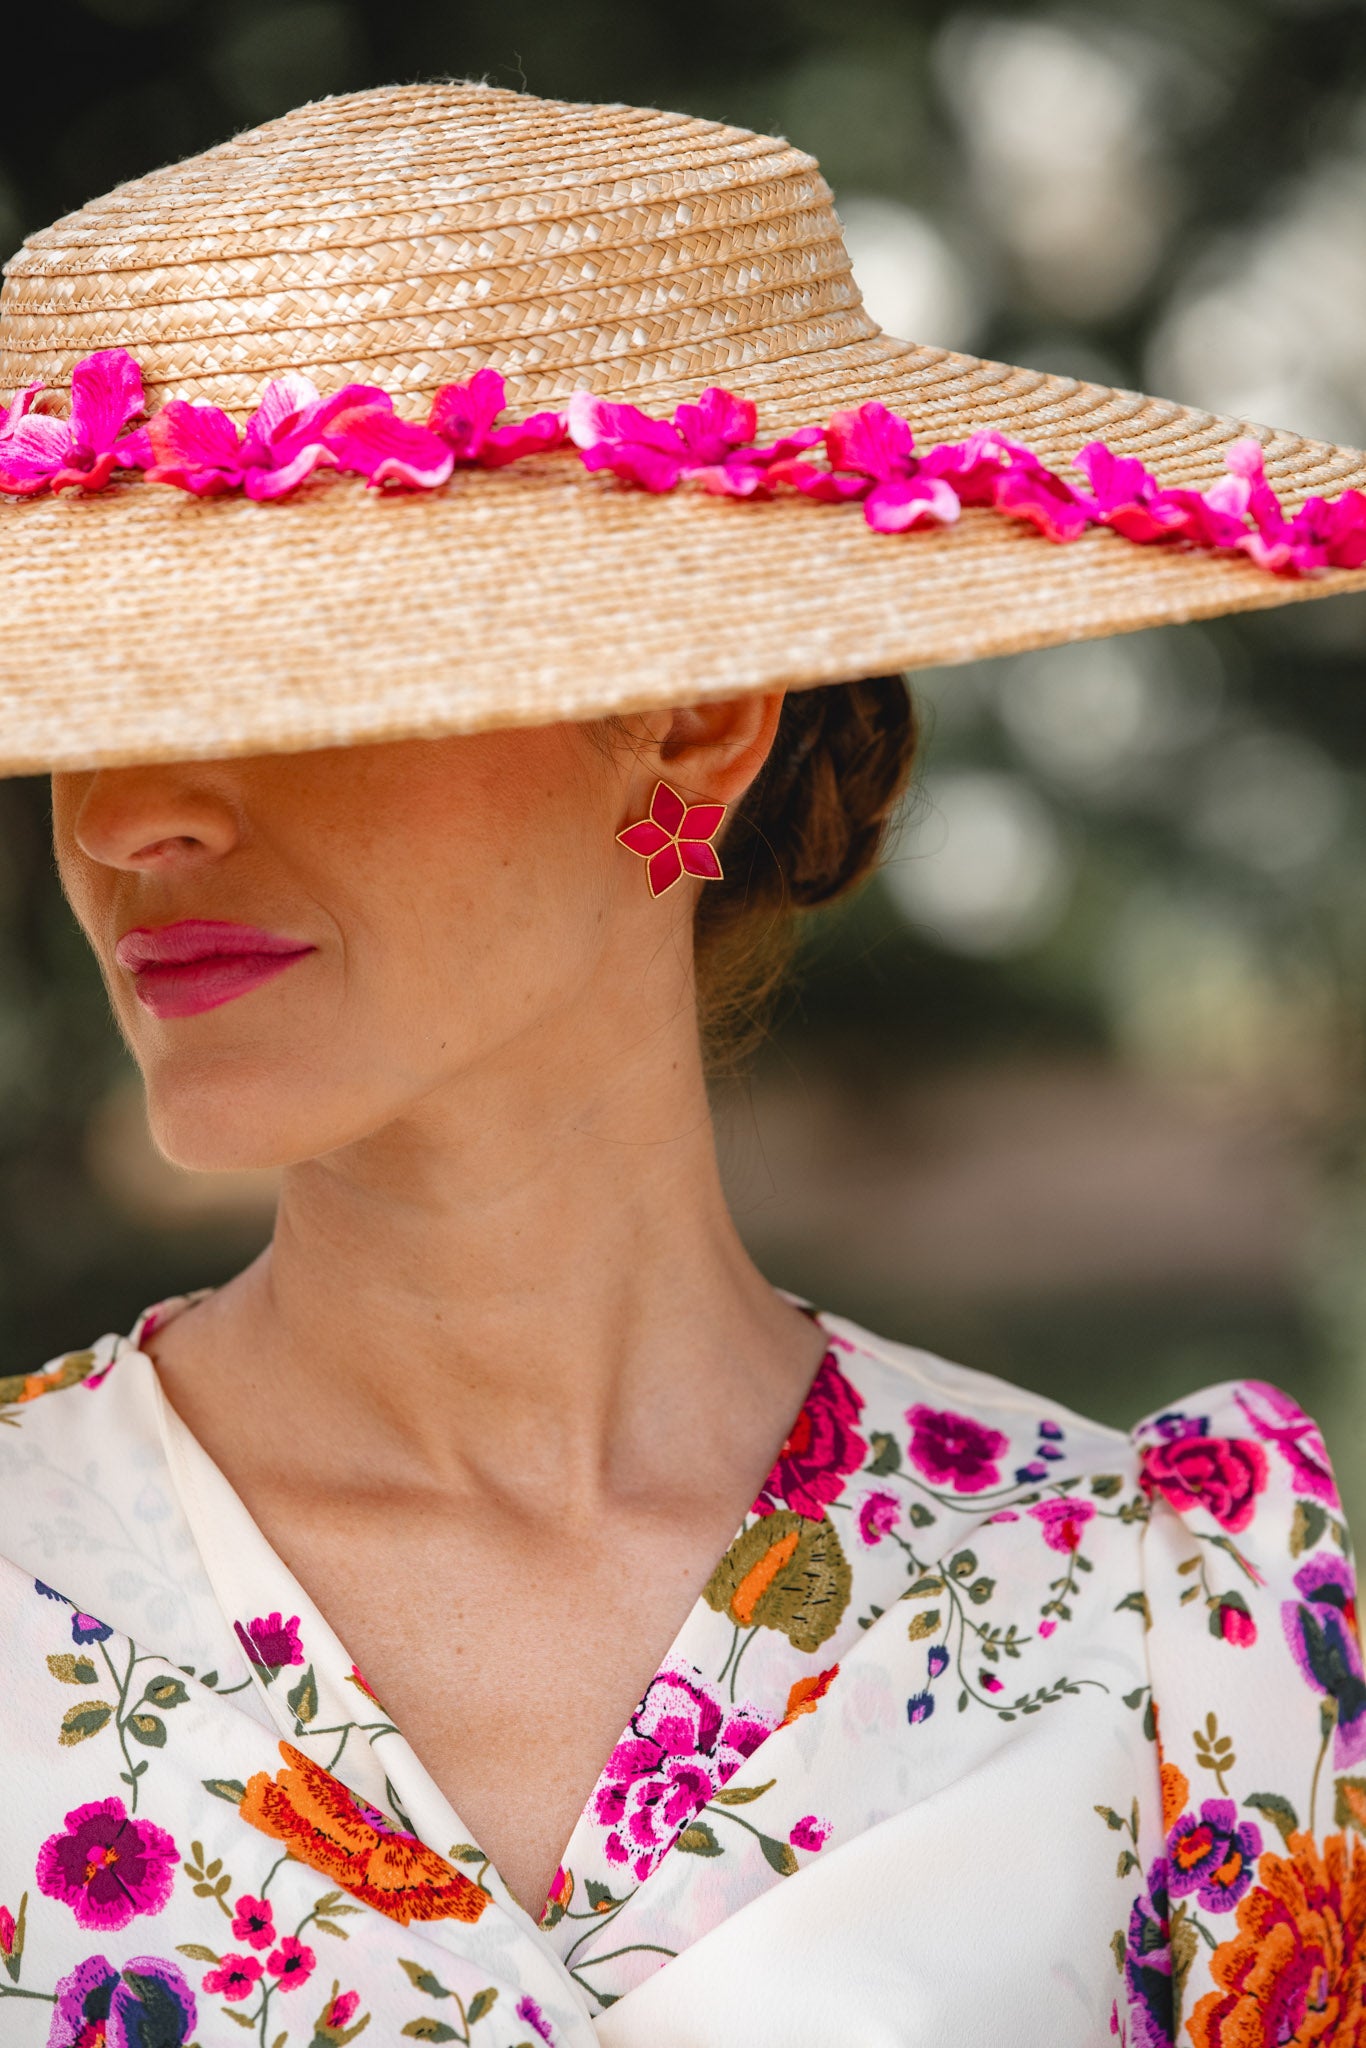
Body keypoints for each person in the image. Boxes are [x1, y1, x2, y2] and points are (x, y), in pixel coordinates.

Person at [0, 81, 1362, 2048]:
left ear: (691, 721)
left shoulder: (1167, 1626)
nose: (129, 817)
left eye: (284, 684)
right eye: (75, 700)